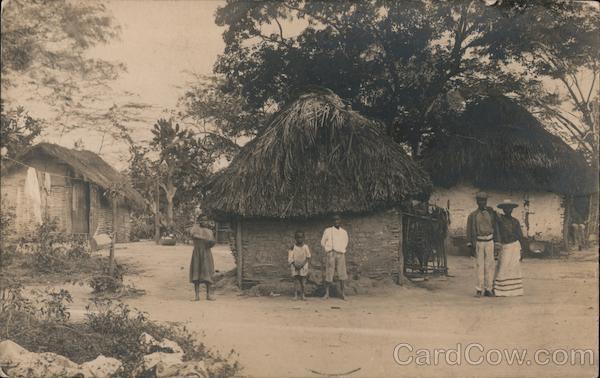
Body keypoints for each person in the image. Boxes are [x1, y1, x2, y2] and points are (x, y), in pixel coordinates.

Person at [466, 191, 499, 297]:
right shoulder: (472, 215)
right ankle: (479, 289)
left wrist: (497, 242)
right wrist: (470, 245)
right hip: (479, 242)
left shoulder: (491, 214)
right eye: (479, 200)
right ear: (476, 201)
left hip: (490, 241)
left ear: (486, 201)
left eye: (484, 200)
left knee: (490, 265)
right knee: (480, 266)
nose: (482, 202)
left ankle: (488, 289)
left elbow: (496, 227)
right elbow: (469, 231)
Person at [494, 200, 524, 297]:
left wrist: (522, 249)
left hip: (514, 246)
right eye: (506, 208)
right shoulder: (499, 220)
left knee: (514, 267)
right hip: (505, 246)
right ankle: (501, 290)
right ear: (503, 209)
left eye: (510, 208)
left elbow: (520, 236)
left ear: (512, 209)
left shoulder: (515, 221)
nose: (508, 210)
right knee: (503, 266)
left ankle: (515, 290)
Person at [321, 214, 349, 299]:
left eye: (338, 220)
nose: (336, 222)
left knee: (342, 273)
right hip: (331, 254)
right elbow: (322, 242)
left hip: (340, 254)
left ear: (340, 221)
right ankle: (327, 293)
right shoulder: (328, 231)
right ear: (332, 222)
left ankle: (343, 293)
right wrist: (328, 250)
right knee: (329, 273)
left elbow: (346, 242)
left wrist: (341, 249)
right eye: (334, 220)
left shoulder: (344, 232)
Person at [189, 216, 216, 301]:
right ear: (200, 221)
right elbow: (193, 235)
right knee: (196, 272)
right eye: (203, 220)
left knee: (208, 272)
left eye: (206, 220)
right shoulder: (195, 229)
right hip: (197, 253)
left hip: (207, 253)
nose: (206, 222)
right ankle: (197, 296)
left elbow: (212, 241)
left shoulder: (209, 231)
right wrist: (203, 238)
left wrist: (211, 242)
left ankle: (208, 295)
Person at [288, 231, 311, 300]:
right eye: (298, 237)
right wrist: (295, 265)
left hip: (303, 266)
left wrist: (302, 265)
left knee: (303, 282)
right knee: (295, 281)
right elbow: (290, 257)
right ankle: (295, 295)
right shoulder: (292, 247)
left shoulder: (305, 247)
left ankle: (303, 295)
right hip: (294, 266)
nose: (299, 239)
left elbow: (308, 257)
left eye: (301, 237)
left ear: (303, 238)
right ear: (295, 238)